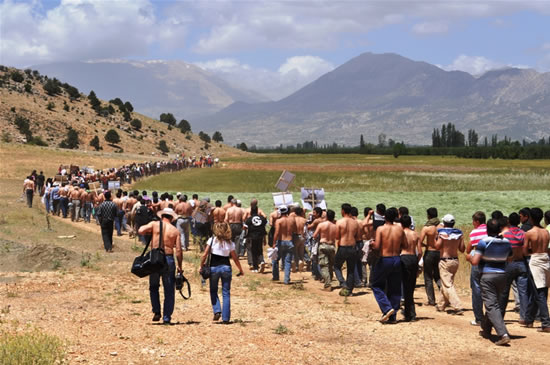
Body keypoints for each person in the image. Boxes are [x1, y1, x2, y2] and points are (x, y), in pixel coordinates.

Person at [138, 208, 183, 325]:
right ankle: (167, 317)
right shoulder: (175, 230)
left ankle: (156, 311)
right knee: (169, 289)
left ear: (161, 216)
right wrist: (180, 265)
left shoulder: (154, 225)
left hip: (155, 258)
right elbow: (178, 250)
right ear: (172, 218)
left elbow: (141, 230)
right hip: (168, 258)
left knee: (154, 286)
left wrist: (151, 232)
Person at [471, 219, 513, 346]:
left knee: (491, 305)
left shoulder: (483, 242)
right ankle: (486, 328)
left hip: (488, 275)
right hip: (503, 275)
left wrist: (469, 257)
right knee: (494, 303)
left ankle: (503, 334)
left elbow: (475, 261)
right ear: (500, 229)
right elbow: (510, 259)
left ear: (487, 230)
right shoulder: (507, 242)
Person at [200, 222, 244, 323]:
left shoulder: (212, 240)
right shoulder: (230, 243)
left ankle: (217, 310)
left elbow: (205, 254)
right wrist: (240, 269)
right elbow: (235, 258)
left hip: (214, 268)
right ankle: (226, 318)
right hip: (226, 268)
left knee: (213, 290)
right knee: (226, 293)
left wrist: (201, 265)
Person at [371, 207, 406, 323]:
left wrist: (372, 244)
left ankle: (386, 308)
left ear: (385, 217)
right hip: (396, 258)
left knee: (376, 284)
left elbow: (377, 246)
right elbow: (404, 244)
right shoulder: (400, 229)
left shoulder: (381, 229)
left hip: (385, 258)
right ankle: (393, 316)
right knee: (394, 288)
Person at [522, 208, 550, 332]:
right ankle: (529, 318)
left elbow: (524, 251)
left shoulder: (529, 233)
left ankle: (546, 323)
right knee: (540, 289)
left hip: (535, 259)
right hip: (546, 259)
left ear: (531, 218)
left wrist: (531, 251)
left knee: (539, 292)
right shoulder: (546, 232)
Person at [500, 213, 529, 323]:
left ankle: (501, 315)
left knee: (504, 291)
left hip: (509, 263)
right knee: (523, 292)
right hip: (521, 263)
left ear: (509, 222)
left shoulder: (505, 234)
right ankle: (524, 317)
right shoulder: (524, 233)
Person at [434, 214, 465, 315]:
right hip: (455, 260)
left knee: (447, 284)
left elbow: (437, 246)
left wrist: (436, 239)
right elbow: (462, 249)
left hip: (445, 260)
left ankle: (458, 306)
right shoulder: (459, 234)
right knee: (447, 283)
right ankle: (441, 305)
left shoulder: (442, 233)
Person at [334, 203, 362, 296]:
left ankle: (343, 283)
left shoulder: (339, 222)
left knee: (336, 266)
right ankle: (349, 290)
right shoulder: (355, 222)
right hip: (352, 247)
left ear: (343, 211)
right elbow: (358, 237)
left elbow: (337, 236)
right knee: (351, 269)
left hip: (343, 246)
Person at [467, 211, 488, 326]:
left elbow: (469, 248)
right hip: (490, 262)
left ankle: (479, 318)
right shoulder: (489, 230)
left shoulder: (475, 232)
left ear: (477, 221)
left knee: (476, 288)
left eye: (473, 221)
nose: (472, 223)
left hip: (477, 260)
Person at [400, 215, 422, 321]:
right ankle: (411, 312)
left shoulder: (401, 233)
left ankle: (408, 313)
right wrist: (417, 262)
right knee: (411, 287)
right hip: (413, 257)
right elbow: (420, 252)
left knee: (404, 286)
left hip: (404, 257)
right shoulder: (415, 234)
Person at [420, 207, 441, 306]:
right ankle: (445, 297)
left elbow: (419, 241)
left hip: (430, 252)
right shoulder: (442, 226)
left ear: (428, 216)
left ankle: (431, 300)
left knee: (428, 276)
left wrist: (425, 245)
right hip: (439, 253)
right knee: (438, 276)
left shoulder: (427, 228)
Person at [313, 209, 338, 291]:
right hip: (332, 246)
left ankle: (327, 285)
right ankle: (329, 279)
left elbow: (314, 235)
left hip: (323, 245)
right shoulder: (335, 226)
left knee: (324, 265)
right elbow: (337, 237)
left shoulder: (321, 225)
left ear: (326, 216)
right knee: (330, 265)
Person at [272, 205, 297, 284]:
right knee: (287, 262)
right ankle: (286, 279)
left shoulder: (278, 221)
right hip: (289, 241)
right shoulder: (292, 220)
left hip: (281, 241)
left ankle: (276, 276)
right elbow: (295, 230)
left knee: (275, 259)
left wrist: (273, 243)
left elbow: (276, 232)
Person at [244, 205, 268, 273]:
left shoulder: (249, 219)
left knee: (253, 251)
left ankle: (255, 267)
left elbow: (245, 227)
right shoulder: (262, 218)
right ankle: (262, 261)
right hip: (260, 236)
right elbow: (265, 224)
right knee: (259, 249)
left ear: (251, 211)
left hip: (253, 237)